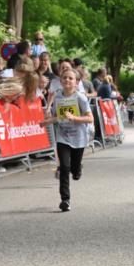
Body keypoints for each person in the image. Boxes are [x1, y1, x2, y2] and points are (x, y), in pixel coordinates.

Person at [43, 67, 93, 212]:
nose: (67, 80)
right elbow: (57, 117)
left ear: (76, 83)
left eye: (71, 78)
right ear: (60, 81)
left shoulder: (80, 98)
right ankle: (65, 200)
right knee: (64, 167)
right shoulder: (57, 97)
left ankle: (77, 170)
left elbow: (90, 118)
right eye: (64, 78)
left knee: (74, 169)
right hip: (63, 136)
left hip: (79, 138)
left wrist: (75, 118)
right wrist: (48, 121)